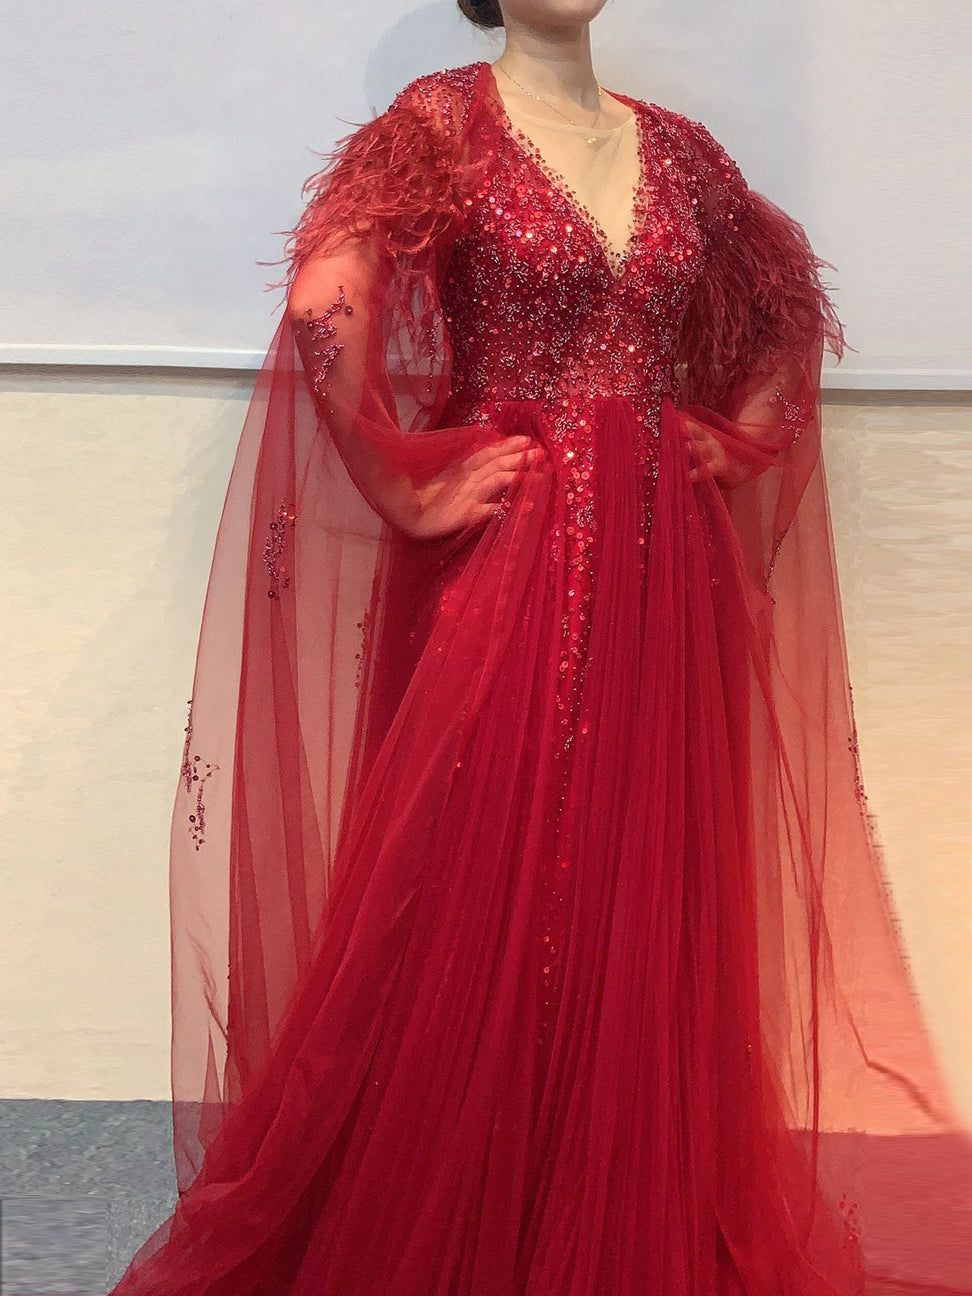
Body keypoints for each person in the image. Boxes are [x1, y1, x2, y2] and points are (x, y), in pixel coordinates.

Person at [108, 3, 972, 1293]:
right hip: (516, 567)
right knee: (486, 865)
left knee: (638, 870)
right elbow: (325, 305)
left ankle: (614, 1189)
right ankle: (472, 1199)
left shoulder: (681, 153)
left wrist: (738, 440)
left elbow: (785, 312)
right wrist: (400, 482)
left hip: (662, 578)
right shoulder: (440, 125)